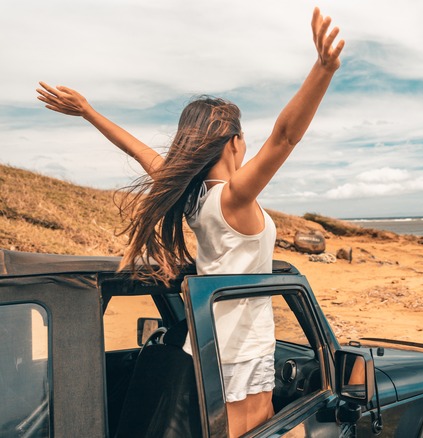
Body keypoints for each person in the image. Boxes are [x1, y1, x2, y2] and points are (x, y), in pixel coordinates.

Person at [36, 7, 344, 437]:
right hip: (237, 348)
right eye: (244, 140)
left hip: (217, 341)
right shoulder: (233, 198)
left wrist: (89, 111)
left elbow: (137, 150)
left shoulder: (194, 197)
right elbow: (285, 137)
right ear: (234, 143)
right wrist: (323, 70)